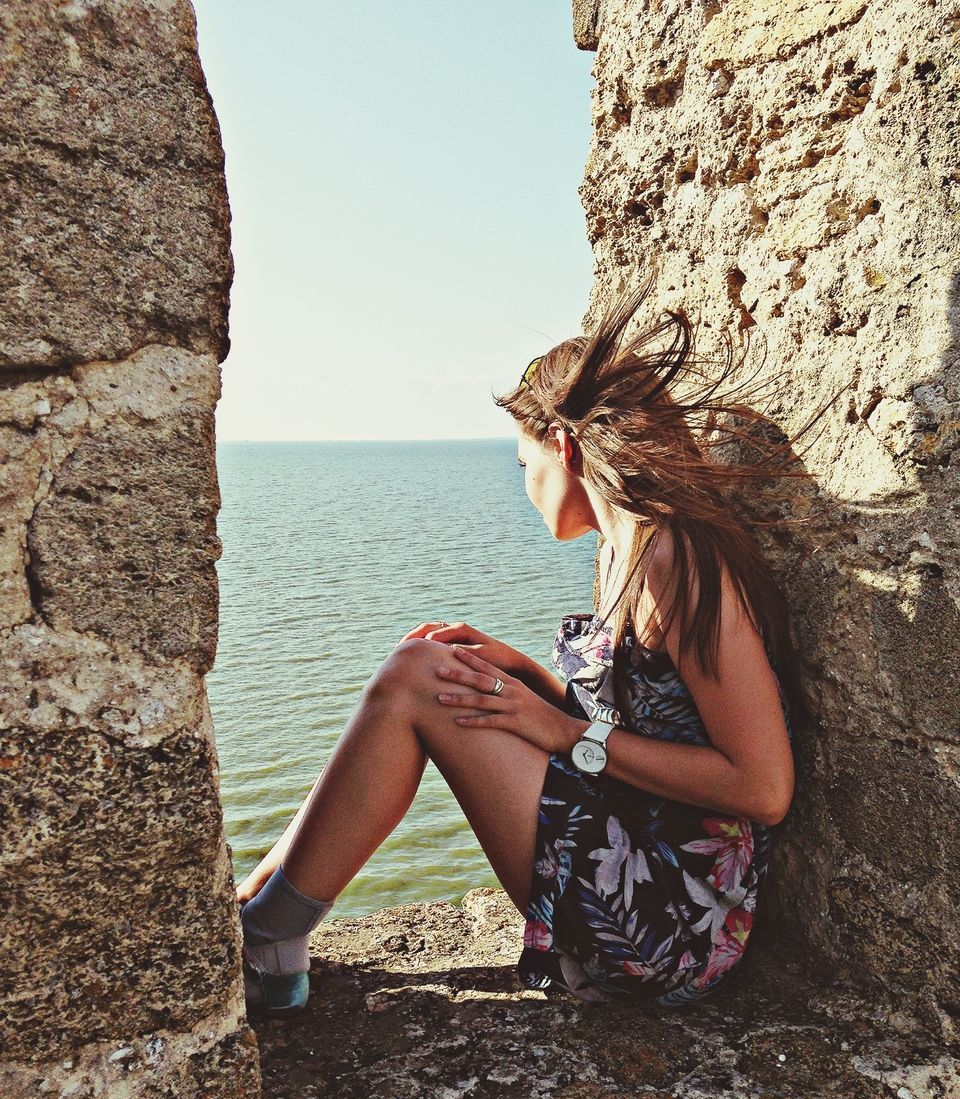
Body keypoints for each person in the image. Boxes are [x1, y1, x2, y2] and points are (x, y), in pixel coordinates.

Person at [237, 281, 824, 1017]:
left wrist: (564, 729)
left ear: (563, 444)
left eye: (524, 467)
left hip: (675, 928)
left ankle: (270, 931)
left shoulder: (679, 559)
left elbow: (763, 789)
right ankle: (265, 902)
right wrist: (531, 681)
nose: (526, 487)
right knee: (424, 669)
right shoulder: (624, 550)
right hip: (633, 863)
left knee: (421, 680)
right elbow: (646, 725)